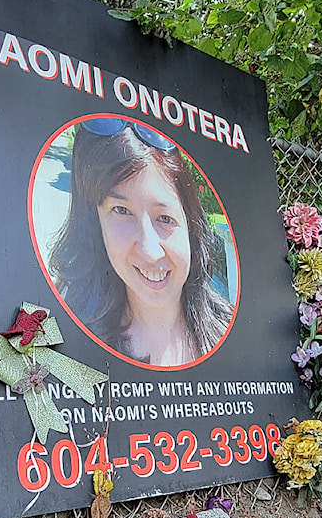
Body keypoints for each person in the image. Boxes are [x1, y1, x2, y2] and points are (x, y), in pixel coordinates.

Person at [48, 116, 233, 367]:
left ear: (191, 225)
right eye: (122, 211)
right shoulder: (62, 343)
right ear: (95, 224)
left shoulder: (231, 335)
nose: (150, 251)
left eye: (165, 218)